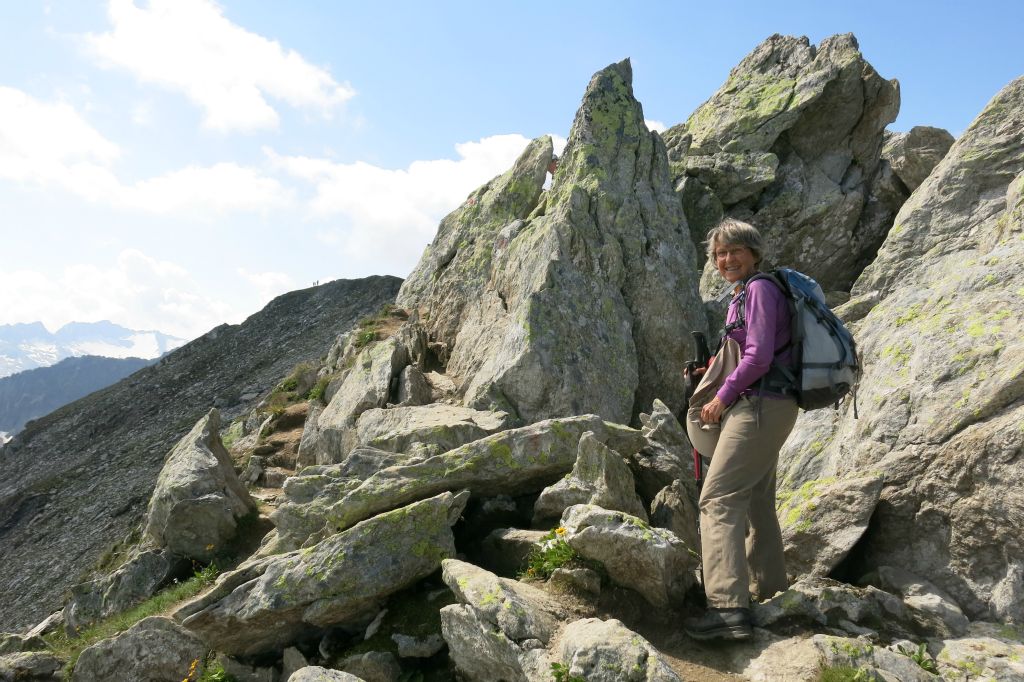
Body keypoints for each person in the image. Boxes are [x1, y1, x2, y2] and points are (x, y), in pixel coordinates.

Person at [683, 218, 798, 642]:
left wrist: (721, 397)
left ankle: (728, 609)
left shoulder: (761, 289)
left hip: (759, 406)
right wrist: (709, 373)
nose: (726, 259)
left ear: (753, 253)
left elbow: (760, 356)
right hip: (765, 404)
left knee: (718, 499)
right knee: (756, 500)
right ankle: (769, 592)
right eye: (718, 254)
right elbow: (745, 352)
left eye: (734, 251)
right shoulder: (741, 296)